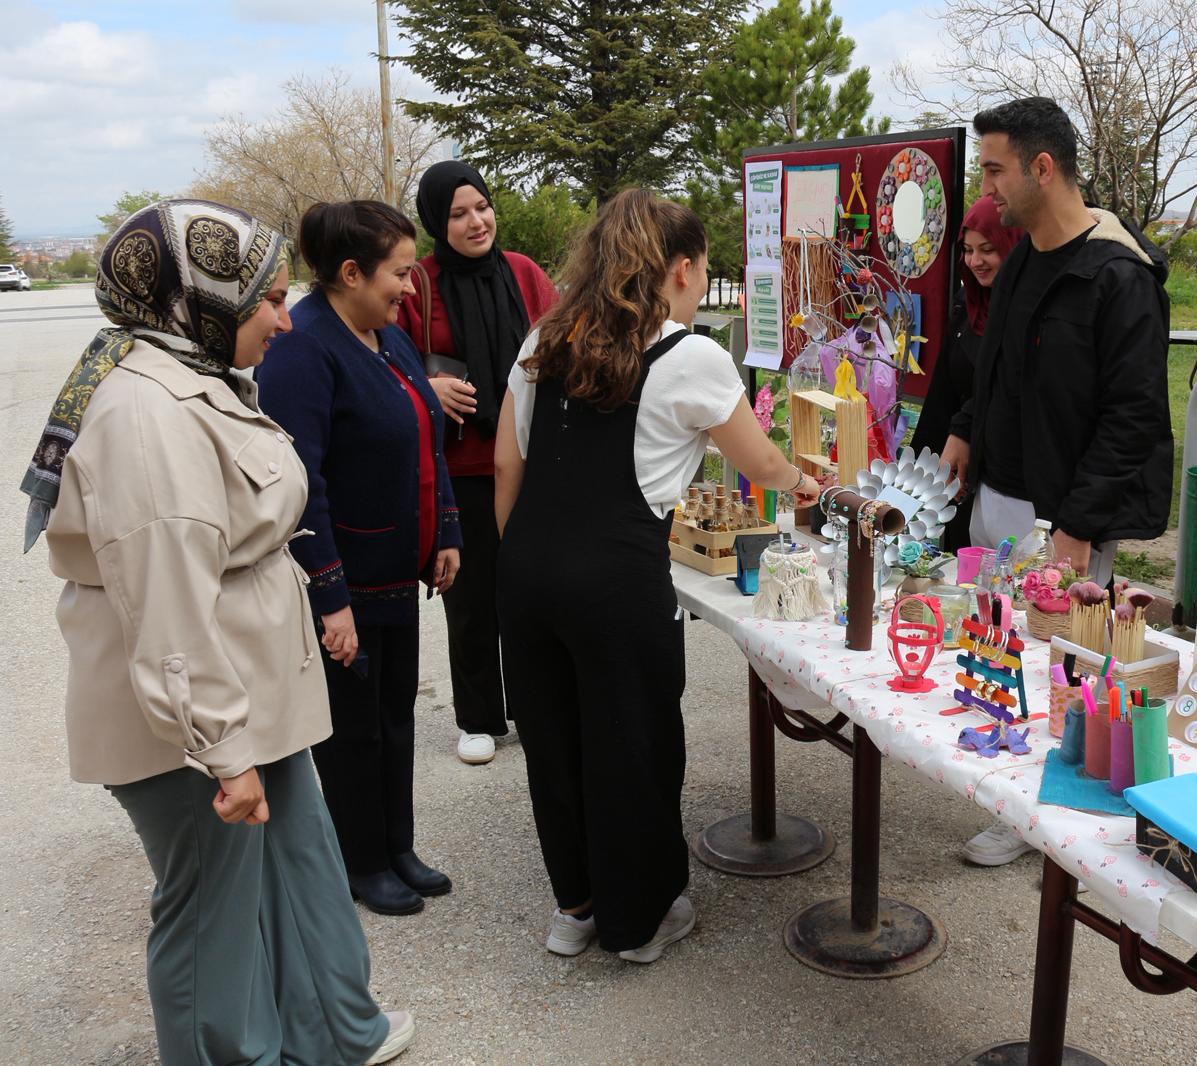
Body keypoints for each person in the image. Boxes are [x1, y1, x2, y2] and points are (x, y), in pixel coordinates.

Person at [25, 199, 414, 1064]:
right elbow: (166, 601)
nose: (285, 316)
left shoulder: (188, 371)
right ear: (201, 299)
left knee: (300, 868)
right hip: (191, 724)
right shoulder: (145, 414)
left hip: (246, 692)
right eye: (268, 299)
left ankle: (332, 1033)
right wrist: (223, 752)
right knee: (215, 920)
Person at [494, 189, 820, 963]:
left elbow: (509, 463)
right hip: (615, 581)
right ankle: (637, 922)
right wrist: (804, 484)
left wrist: (529, 560)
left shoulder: (544, 337)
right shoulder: (689, 353)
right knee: (631, 746)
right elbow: (760, 461)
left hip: (529, 570)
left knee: (556, 741)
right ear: (680, 269)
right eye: (703, 270)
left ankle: (575, 909)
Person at [943, 97, 1173, 867]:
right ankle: (998, 777)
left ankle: (1035, 816)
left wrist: (1076, 528)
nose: (990, 185)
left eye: (997, 169)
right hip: (996, 499)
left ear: (1044, 168)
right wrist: (962, 434)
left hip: (1063, 520)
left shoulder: (1118, 276)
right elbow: (995, 363)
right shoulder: (1025, 260)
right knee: (993, 652)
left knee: (1061, 666)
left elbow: (1131, 416)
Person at [257, 201, 463, 916]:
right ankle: (362, 859)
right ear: (350, 273)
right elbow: (298, 482)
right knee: (353, 727)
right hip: (346, 575)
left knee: (395, 714)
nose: (410, 288)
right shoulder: (303, 349)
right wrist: (330, 595)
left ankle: (396, 845)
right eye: (399, 274)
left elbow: (426, 433)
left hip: (395, 567)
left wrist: (447, 530)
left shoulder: (384, 333)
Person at [399, 161, 559, 766]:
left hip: (527, 459)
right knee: (469, 599)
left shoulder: (523, 273)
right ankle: (478, 717)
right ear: (438, 222)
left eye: (482, 207)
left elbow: (560, 337)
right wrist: (426, 389)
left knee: (530, 589)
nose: (476, 221)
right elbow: (389, 361)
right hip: (461, 468)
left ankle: (530, 702)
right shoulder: (419, 281)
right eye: (458, 213)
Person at [908, 194, 1025, 549]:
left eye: (987, 249)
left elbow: (1010, 383)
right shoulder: (967, 302)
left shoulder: (1028, 310)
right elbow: (944, 387)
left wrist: (967, 431)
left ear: (1013, 245)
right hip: (958, 473)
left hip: (1008, 476)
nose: (975, 261)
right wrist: (921, 477)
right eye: (968, 250)